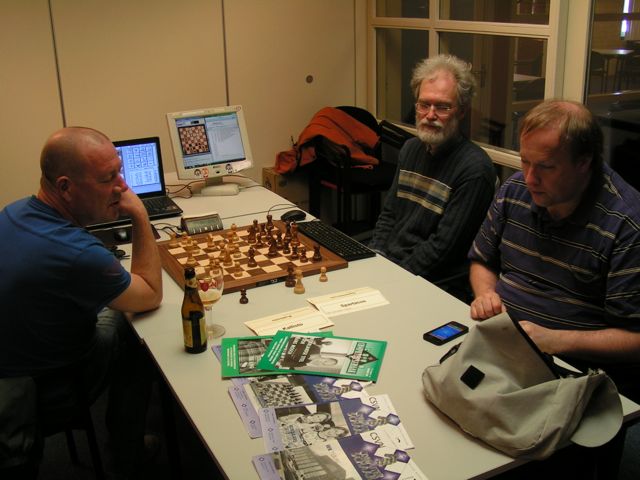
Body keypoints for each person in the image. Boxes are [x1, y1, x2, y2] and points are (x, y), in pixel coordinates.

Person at [468, 100, 640, 478]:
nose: (530, 178)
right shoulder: (515, 190)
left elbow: (635, 340)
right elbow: (482, 260)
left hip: (574, 375)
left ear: (584, 163)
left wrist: (554, 340)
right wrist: (485, 294)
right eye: (525, 161)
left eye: (545, 167)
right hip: (505, 348)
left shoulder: (626, 225)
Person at [0, 127, 163, 478]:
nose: (122, 186)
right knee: (134, 331)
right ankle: (128, 454)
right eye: (108, 178)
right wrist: (140, 216)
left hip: (14, 357)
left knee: (112, 307)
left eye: (119, 172)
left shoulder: (13, 211)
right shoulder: (77, 253)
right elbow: (150, 292)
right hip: (46, 386)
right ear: (65, 187)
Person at [369, 54, 496, 301]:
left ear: (462, 111)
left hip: (434, 285)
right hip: (392, 268)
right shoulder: (410, 150)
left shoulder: (475, 169)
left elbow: (442, 249)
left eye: (443, 107)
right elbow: (389, 215)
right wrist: (376, 256)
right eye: (424, 104)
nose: (430, 114)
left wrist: (393, 280)